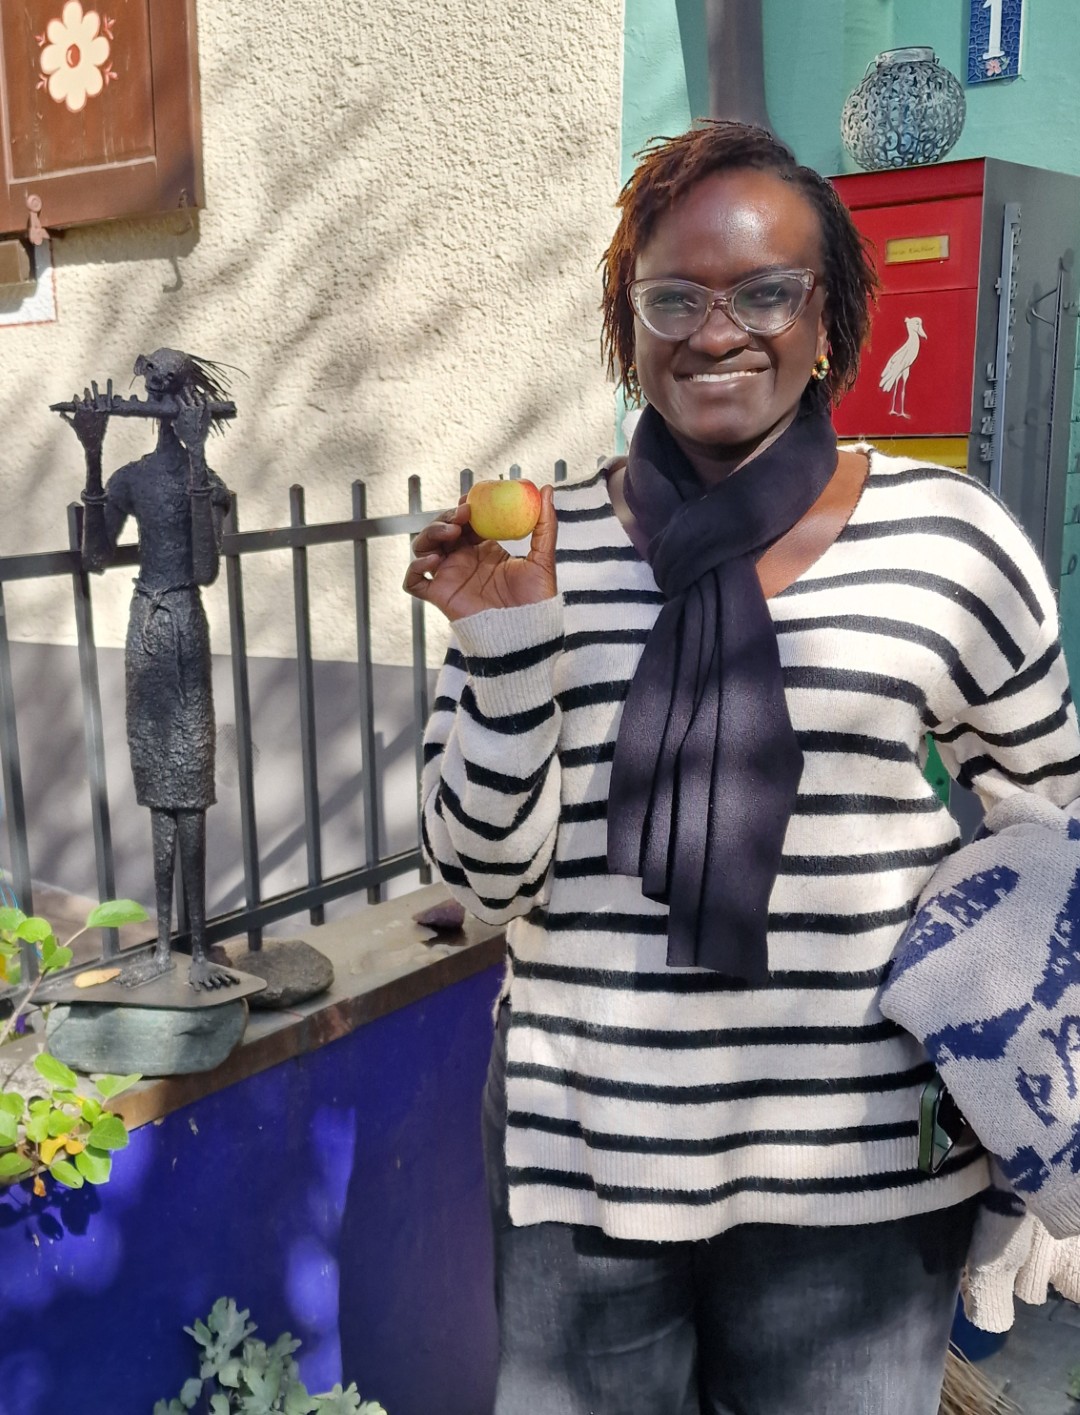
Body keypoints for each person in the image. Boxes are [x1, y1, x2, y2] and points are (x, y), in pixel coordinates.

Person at [404, 122, 1080, 1414]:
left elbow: (1052, 821)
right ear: (630, 324)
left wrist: (1032, 1088)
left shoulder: (951, 539)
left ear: (828, 320)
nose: (718, 332)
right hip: (587, 1156)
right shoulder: (540, 550)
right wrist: (509, 650)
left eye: (766, 292)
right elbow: (484, 880)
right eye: (675, 298)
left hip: (863, 1170)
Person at [65, 349, 238, 991]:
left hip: (185, 625)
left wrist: (196, 459)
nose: (159, 391)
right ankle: (164, 947)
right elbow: (95, 555)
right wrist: (92, 452)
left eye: (169, 383)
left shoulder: (207, 480)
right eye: (154, 381)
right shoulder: (133, 477)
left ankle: (197, 948)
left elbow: (204, 568)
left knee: (190, 790)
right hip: (147, 630)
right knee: (157, 793)